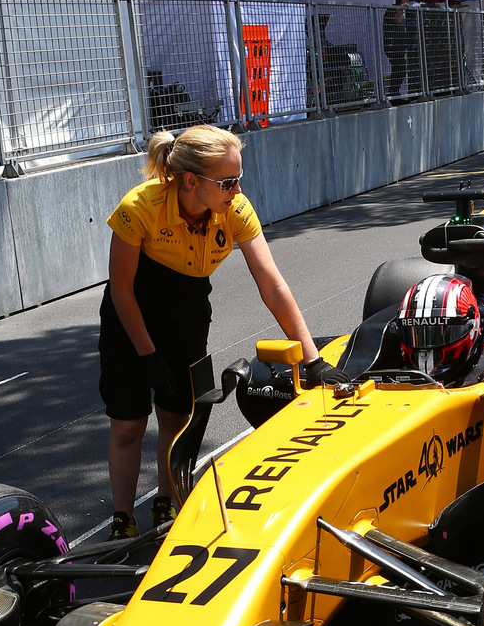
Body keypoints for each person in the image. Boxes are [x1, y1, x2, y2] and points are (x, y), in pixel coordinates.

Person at [100, 126, 321, 539]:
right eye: (228, 181)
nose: (237, 190)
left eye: (239, 180)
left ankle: (164, 503)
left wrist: (313, 358)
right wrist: (147, 355)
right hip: (130, 320)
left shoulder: (233, 209)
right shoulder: (140, 206)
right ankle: (121, 518)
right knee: (128, 423)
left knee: (176, 416)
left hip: (186, 315)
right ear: (190, 181)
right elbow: (121, 290)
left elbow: (271, 284)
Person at [382, 0, 411, 100]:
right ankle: (393, 93)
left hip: (400, 45)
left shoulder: (402, 11)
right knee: (399, 68)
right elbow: (397, 21)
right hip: (392, 45)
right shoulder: (392, 10)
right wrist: (401, 8)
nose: (407, 1)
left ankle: (395, 93)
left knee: (401, 69)